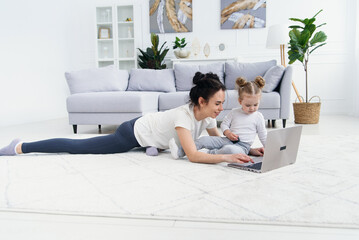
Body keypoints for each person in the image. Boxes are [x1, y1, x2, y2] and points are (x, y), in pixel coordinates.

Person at [0, 72, 263, 164]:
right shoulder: (184, 117)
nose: (221, 109)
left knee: (165, 142)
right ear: (202, 102)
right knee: (78, 147)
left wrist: (245, 148)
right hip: (130, 133)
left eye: (222, 104)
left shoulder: (206, 118)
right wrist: (228, 158)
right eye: (218, 103)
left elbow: (220, 140)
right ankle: (21, 146)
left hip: (149, 125)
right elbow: (194, 155)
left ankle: (154, 144)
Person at [169, 76, 266, 159]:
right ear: (240, 101)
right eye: (248, 105)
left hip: (243, 146)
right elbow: (224, 124)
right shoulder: (234, 112)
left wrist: (270, 149)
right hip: (227, 140)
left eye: (256, 105)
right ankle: (180, 152)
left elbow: (263, 135)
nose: (252, 108)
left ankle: (209, 153)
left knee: (230, 150)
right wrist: (227, 132)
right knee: (204, 140)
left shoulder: (258, 117)